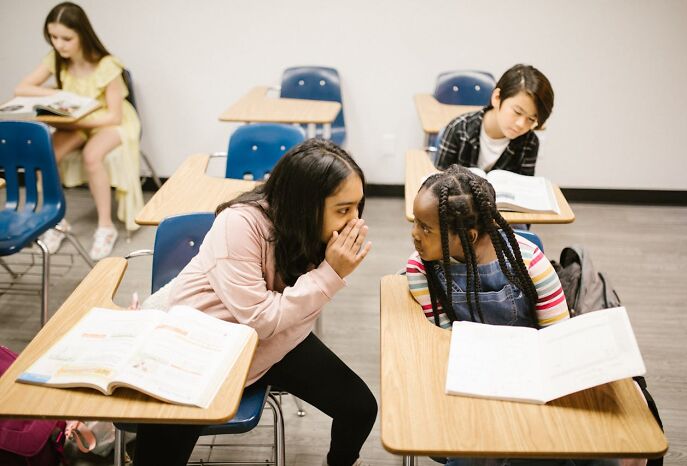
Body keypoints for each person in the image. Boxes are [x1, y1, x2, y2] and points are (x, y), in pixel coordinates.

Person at [133, 139, 377, 466]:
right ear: (305, 205)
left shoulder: (312, 232)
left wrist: (324, 276)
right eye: (343, 210)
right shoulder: (240, 224)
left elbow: (288, 316)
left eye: (357, 206)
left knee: (360, 408)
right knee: (160, 455)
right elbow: (260, 319)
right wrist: (330, 274)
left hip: (275, 339)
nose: (354, 221)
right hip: (205, 345)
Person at [406, 165, 645, 466]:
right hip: (470, 380)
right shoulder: (421, 270)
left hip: (534, 376)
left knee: (591, 447)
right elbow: (443, 341)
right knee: (473, 453)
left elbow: (556, 337)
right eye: (416, 223)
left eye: (426, 228)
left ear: (468, 235)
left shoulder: (529, 261)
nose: (414, 234)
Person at [15, 1, 143, 260]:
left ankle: (105, 227)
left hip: (111, 123)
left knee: (92, 156)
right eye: (53, 37)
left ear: (82, 35)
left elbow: (115, 115)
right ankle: (56, 221)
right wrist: (58, 93)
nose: (59, 44)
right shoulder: (56, 59)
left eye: (66, 38)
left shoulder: (107, 65)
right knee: (46, 154)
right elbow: (22, 88)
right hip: (78, 121)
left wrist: (78, 119)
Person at [435, 64, 554, 176]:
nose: (521, 124)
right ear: (497, 98)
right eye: (517, 112)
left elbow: (523, 190)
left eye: (531, 119)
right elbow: (436, 185)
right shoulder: (459, 129)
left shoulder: (530, 143)